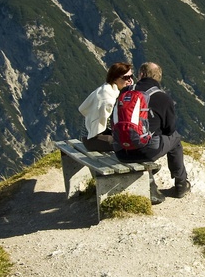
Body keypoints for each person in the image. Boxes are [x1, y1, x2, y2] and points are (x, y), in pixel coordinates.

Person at [117, 61, 190, 197]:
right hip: (146, 152)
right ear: (158, 78)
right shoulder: (163, 98)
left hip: (121, 150)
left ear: (141, 74)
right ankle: (181, 183)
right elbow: (169, 130)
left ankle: (153, 183)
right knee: (175, 138)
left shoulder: (125, 92)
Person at [78, 62, 135, 152]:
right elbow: (107, 124)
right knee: (127, 142)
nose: (130, 80)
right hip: (92, 138)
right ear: (115, 79)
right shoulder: (107, 98)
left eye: (131, 76)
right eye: (126, 78)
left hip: (96, 134)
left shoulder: (111, 90)